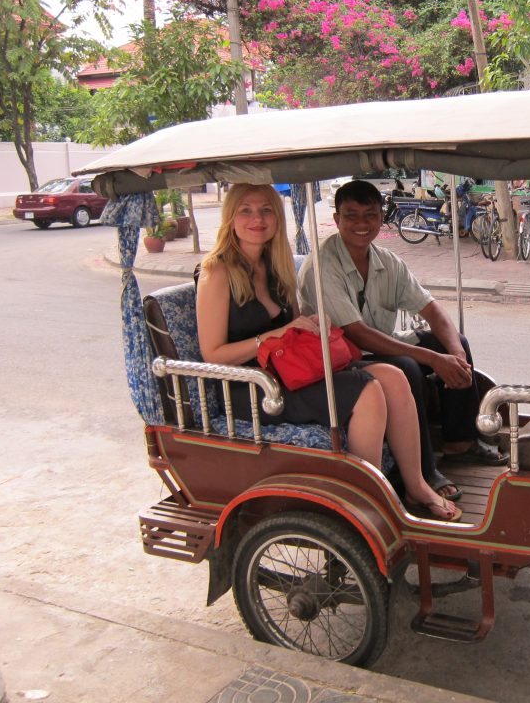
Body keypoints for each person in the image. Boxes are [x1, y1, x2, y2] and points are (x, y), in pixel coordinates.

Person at [196, 182, 460, 522]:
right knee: (366, 391)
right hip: (250, 387)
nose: (257, 219)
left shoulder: (277, 266)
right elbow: (213, 355)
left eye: (265, 211)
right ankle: (366, 505)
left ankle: (416, 484)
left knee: (394, 376)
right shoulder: (217, 272)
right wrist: (272, 336)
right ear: (230, 218)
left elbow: (292, 330)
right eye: (246, 211)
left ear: (276, 217)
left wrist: (310, 328)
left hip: (287, 371)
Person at [298, 180, 507, 502]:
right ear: (337, 219)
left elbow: (432, 309)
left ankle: (459, 443)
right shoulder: (324, 263)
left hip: (382, 344)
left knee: (456, 342)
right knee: (409, 366)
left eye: (370, 215)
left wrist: (453, 354)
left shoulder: (387, 261)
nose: (361, 224)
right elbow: (355, 332)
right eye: (351, 216)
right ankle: (422, 472)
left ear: (382, 218)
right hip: (340, 357)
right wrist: (434, 361)